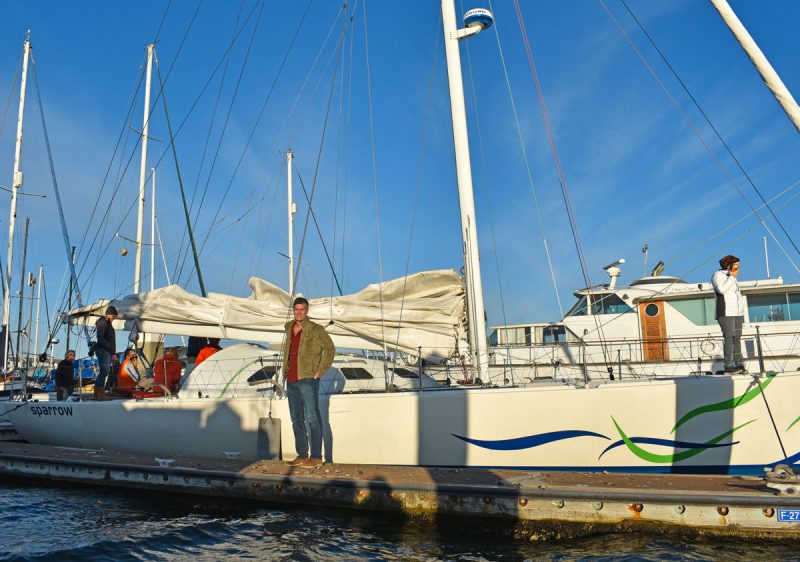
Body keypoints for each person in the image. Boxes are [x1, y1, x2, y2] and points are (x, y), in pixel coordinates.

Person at [281, 297, 335, 467]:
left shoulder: (315, 329)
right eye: (296, 309)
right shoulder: (289, 328)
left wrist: (320, 371)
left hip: (307, 378)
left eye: (302, 309)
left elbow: (330, 349)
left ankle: (317, 457)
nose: (299, 312)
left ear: (307, 310)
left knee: (312, 417)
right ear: (293, 310)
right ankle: (302, 455)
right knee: (296, 419)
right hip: (291, 378)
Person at [712, 255, 746, 373]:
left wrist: (741, 311)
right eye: (736, 266)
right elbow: (721, 290)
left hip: (737, 313)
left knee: (737, 338)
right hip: (725, 312)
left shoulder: (733, 278)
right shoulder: (718, 275)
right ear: (729, 265)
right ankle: (729, 365)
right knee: (730, 338)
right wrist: (731, 277)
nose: (738, 269)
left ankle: (739, 363)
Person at [93, 306, 117, 400]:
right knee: (104, 371)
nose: (115, 319)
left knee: (104, 372)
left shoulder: (105, 322)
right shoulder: (103, 322)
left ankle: (97, 393)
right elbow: (100, 337)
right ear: (110, 315)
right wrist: (109, 346)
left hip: (105, 350)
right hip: (103, 350)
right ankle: (100, 394)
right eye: (114, 317)